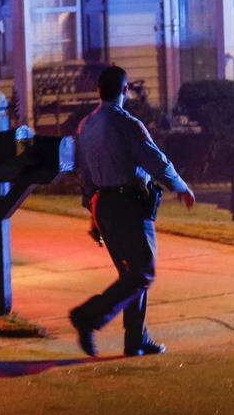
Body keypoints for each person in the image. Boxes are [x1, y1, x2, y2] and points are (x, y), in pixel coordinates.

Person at [69, 66, 195, 358]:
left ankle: (136, 338)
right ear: (125, 90)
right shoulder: (126, 123)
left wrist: (92, 213)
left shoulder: (86, 126)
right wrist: (180, 186)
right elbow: (154, 159)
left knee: (130, 274)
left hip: (104, 205)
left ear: (99, 91)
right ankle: (88, 316)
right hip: (129, 206)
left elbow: (85, 174)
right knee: (142, 273)